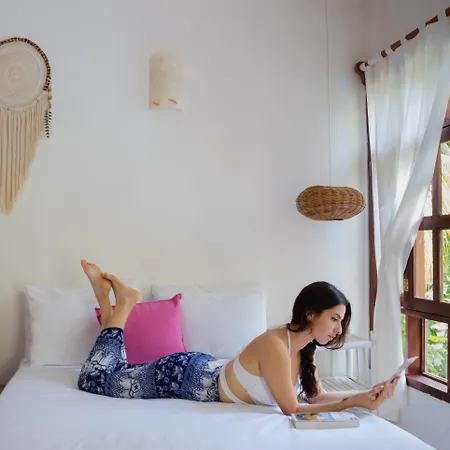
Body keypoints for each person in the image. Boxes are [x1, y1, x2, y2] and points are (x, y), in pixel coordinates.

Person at [77, 259, 399, 415]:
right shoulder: (275, 345)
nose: (338, 329)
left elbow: (314, 398)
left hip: (205, 369)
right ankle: (125, 305)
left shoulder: (302, 350)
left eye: (341, 322)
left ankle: (106, 300)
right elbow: (291, 408)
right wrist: (355, 403)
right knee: (94, 380)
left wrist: (365, 393)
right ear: (310, 313)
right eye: (334, 319)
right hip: (181, 377)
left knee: (116, 371)